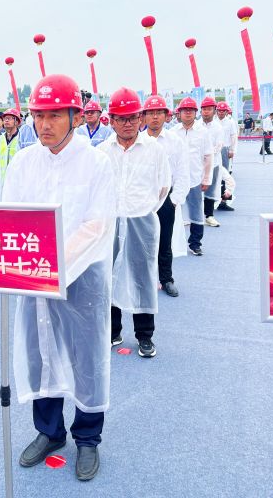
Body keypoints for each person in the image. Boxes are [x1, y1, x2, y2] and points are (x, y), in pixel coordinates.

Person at [2, 74, 115, 481]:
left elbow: (96, 225)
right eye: (38, 115)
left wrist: (53, 264)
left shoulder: (97, 163)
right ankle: (49, 432)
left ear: (75, 116)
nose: (44, 124)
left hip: (82, 278)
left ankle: (87, 438)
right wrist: (30, 266)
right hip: (33, 278)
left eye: (53, 115)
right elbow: (10, 216)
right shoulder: (23, 161)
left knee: (86, 356)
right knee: (40, 352)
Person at [99, 90, 170, 358]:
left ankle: (145, 335)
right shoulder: (102, 151)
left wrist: (142, 210)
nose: (127, 123)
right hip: (110, 222)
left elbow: (163, 187)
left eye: (131, 118)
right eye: (121, 118)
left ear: (140, 118)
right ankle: (113, 331)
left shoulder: (154, 150)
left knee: (143, 278)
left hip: (142, 221)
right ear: (112, 121)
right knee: (109, 276)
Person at [143, 95, 190, 298]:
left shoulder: (175, 142)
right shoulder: (138, 140)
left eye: (159, 113)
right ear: (144, 116)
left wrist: (174, 200)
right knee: (142, 240)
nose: (155, 117)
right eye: (151, 113)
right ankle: (144, 279)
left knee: (164, 240)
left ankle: (166, 278)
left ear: (166, 116)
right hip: (142, 198)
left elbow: (182, 173)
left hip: (165, 199)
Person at [171, 98, 213, 256]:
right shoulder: (173, 132)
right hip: (175, 180)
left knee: (196, 211)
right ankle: (170, 242)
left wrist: (207, 178)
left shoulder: (203, 132)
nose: (188, 113)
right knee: (172, 211)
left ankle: (195, 243)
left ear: (196, 113)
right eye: (184, 110)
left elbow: (208, 156)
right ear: (179, 113)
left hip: (195, 178)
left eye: (191, 110)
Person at [199, 97, 223, 228]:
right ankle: (194, 216)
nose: (206, 112)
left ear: (214, 111)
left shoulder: (218, 127)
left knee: (210, 190)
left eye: (209, 109)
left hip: (213, 163)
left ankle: (209, 216)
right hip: (197, 164)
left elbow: (218, 145)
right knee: (195, 191)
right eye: (204, 109)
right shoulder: (196, 125)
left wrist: (206, 154)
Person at [0, 108, 21, 186]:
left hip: (17, 181)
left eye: (9, 118)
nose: (6, 121)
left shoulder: (21, 138)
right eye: (5, 119)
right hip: (1, 181)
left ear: (16, 122)